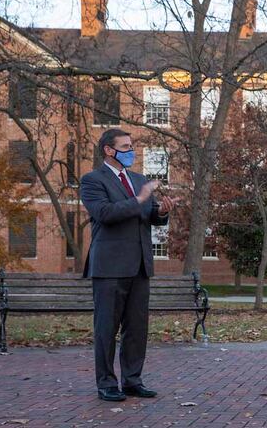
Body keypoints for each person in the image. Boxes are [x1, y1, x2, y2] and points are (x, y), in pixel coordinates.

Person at [80, 129, 179, 402]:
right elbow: (105, 214)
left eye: (131, 146)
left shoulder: (138, 180)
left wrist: (161, 211)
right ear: (109, 151)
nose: (130, 151)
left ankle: (133, 380)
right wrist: (140, 199)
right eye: (125, 146)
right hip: (109, 267)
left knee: (137, 328)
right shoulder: (92, 180)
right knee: (106, 329)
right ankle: (107, 384)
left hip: (140, 266)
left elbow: (147, 215)